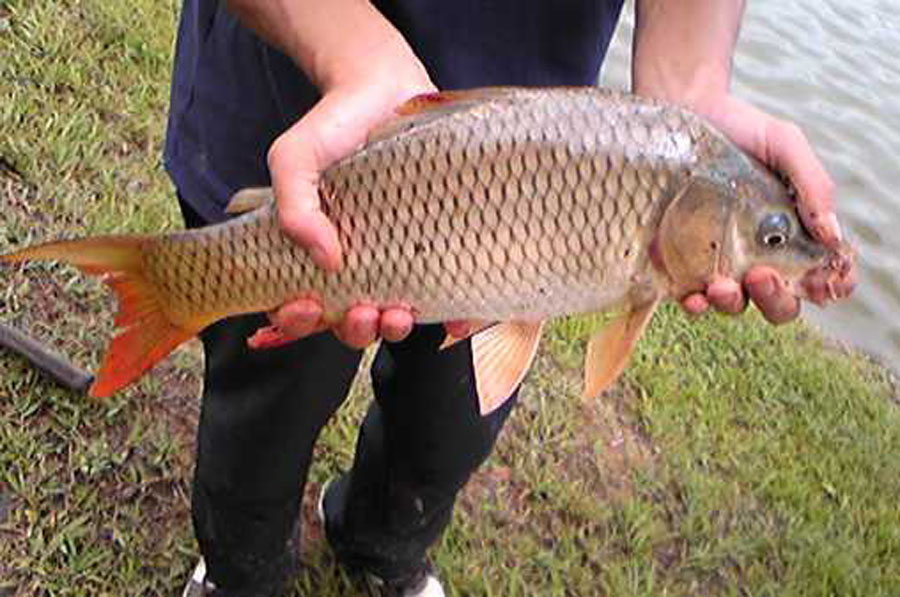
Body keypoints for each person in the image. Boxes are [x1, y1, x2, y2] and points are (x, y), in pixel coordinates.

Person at [168, 1, 843, 595]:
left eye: (770, 235)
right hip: (300, 91)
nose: (775, 248)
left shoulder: (670, 180)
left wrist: (693, 84)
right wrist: (349, 53)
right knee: (266, 401)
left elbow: (687, 63)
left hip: (532, 137)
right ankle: (239, 570)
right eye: (770, 235)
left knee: (452, 418)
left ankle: (379, 547)